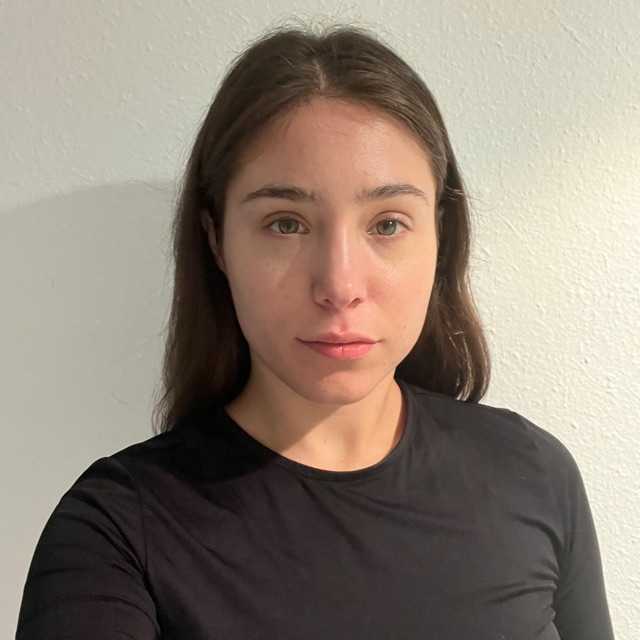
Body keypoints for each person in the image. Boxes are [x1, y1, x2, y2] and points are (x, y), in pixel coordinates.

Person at [15, 20, 615, 639]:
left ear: (442, 236)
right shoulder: (116, 532)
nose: (339, 283)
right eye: (286, 224)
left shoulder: (532, 474)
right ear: (217, 240)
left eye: (387, 224)